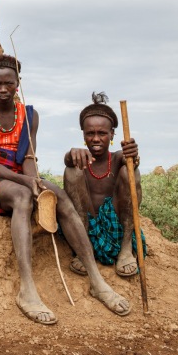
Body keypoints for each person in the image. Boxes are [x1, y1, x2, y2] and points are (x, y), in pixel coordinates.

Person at [0, 56, 131, 324]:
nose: (3, 89)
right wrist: (26, 184)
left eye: (9, 83)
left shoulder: (29, 116)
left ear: (18, 84)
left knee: (58, 196)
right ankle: (27, 290)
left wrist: (37, 183)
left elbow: (28, 158)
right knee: (22, 197)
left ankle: (97, 280)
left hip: (19, 175)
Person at [63, 92, 146, 278]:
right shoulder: (79, 157)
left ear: (112, 134)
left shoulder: (118, 158)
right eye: (90, 133)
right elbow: (68, 160)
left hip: (115, 226)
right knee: (72, 170)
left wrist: (132, 157)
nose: (96, 138)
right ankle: (83, 249)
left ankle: (125, 250)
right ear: (84, 135)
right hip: (87, 226)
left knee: (129, 171)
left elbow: (130, 161)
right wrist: (69, 156)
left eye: (102, 133)